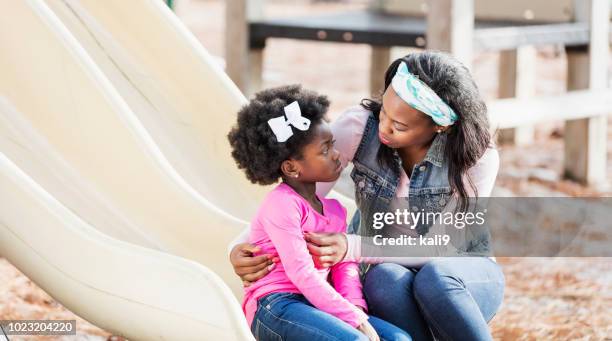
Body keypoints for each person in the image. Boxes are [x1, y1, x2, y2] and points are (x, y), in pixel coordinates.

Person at [229, 51, 505, 341]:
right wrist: (238, 247)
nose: (383, 128)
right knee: (383, 278)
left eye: (399, 126)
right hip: (390, 270)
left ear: (440, 125)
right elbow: (296, 196)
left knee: (435, 277)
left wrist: (353, 246)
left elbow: (441, 247)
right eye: (384, 111)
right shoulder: (360, 127)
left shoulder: (477, 156)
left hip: (460, 276)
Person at [227, 85, 411, 341]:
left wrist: (355, 310)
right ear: (291, 168)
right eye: (325, 150)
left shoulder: (335, 210)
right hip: (275, 307)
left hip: (316, 304)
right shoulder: (281, 205)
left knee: (399, 338)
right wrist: (354, 323)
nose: (337, 156)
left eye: (333, 145)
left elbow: (344, 268)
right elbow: (300, 272)